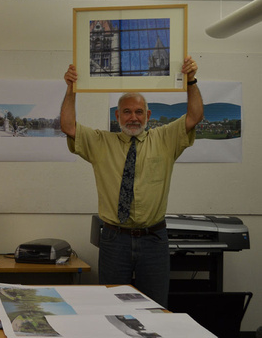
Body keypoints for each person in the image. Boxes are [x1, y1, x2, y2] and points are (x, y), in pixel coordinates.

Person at [60, 56, 204, 307]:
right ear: (117, 115)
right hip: (115, 240)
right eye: (127, 111)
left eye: (139, 112)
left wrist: (191, 80)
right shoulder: (101, 142)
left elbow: (195, 115)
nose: (133, 117)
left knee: (156, 308)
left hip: (154, 240)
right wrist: (71, 89)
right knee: (112, 307)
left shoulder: (165, 138)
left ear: (148, 114)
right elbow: (68, 126)